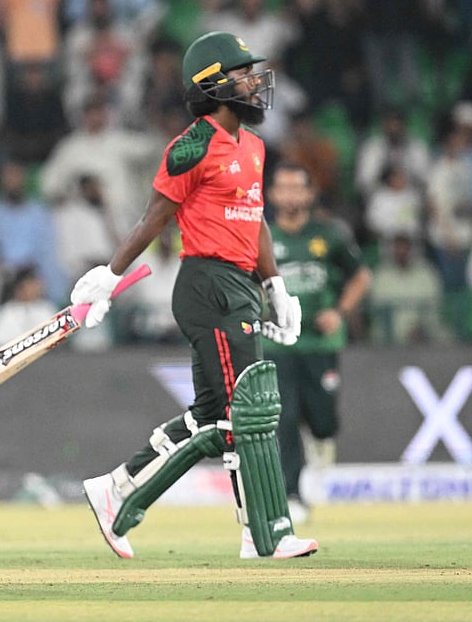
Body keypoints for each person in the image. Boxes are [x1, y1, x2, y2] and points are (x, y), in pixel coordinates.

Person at [73, 31, 318, 560]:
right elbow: (153, 220)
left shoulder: (253, 147)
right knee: (241, 415)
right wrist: (109, 276)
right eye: (242, 74)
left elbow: (256, 223)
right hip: (207, 285)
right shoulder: (191, 145)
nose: (254, 84)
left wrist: (276, 287)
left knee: (212, 414)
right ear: (213, 84)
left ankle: (116, 486)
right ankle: (262, 533)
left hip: (240, 286)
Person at [265, 162, 372, 523]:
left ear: (310, 194)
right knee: (286, 417)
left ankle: (320, 437)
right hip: (279, 343)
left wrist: (340, 312)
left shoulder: (330, 234)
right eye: (284, 188)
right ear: (272, 194)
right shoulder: (261, 236)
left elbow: (360, 277)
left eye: (298, 188)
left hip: (320, 342)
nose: (291, 195)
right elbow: (246, 281)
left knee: (323, 423)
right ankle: (293, 493)